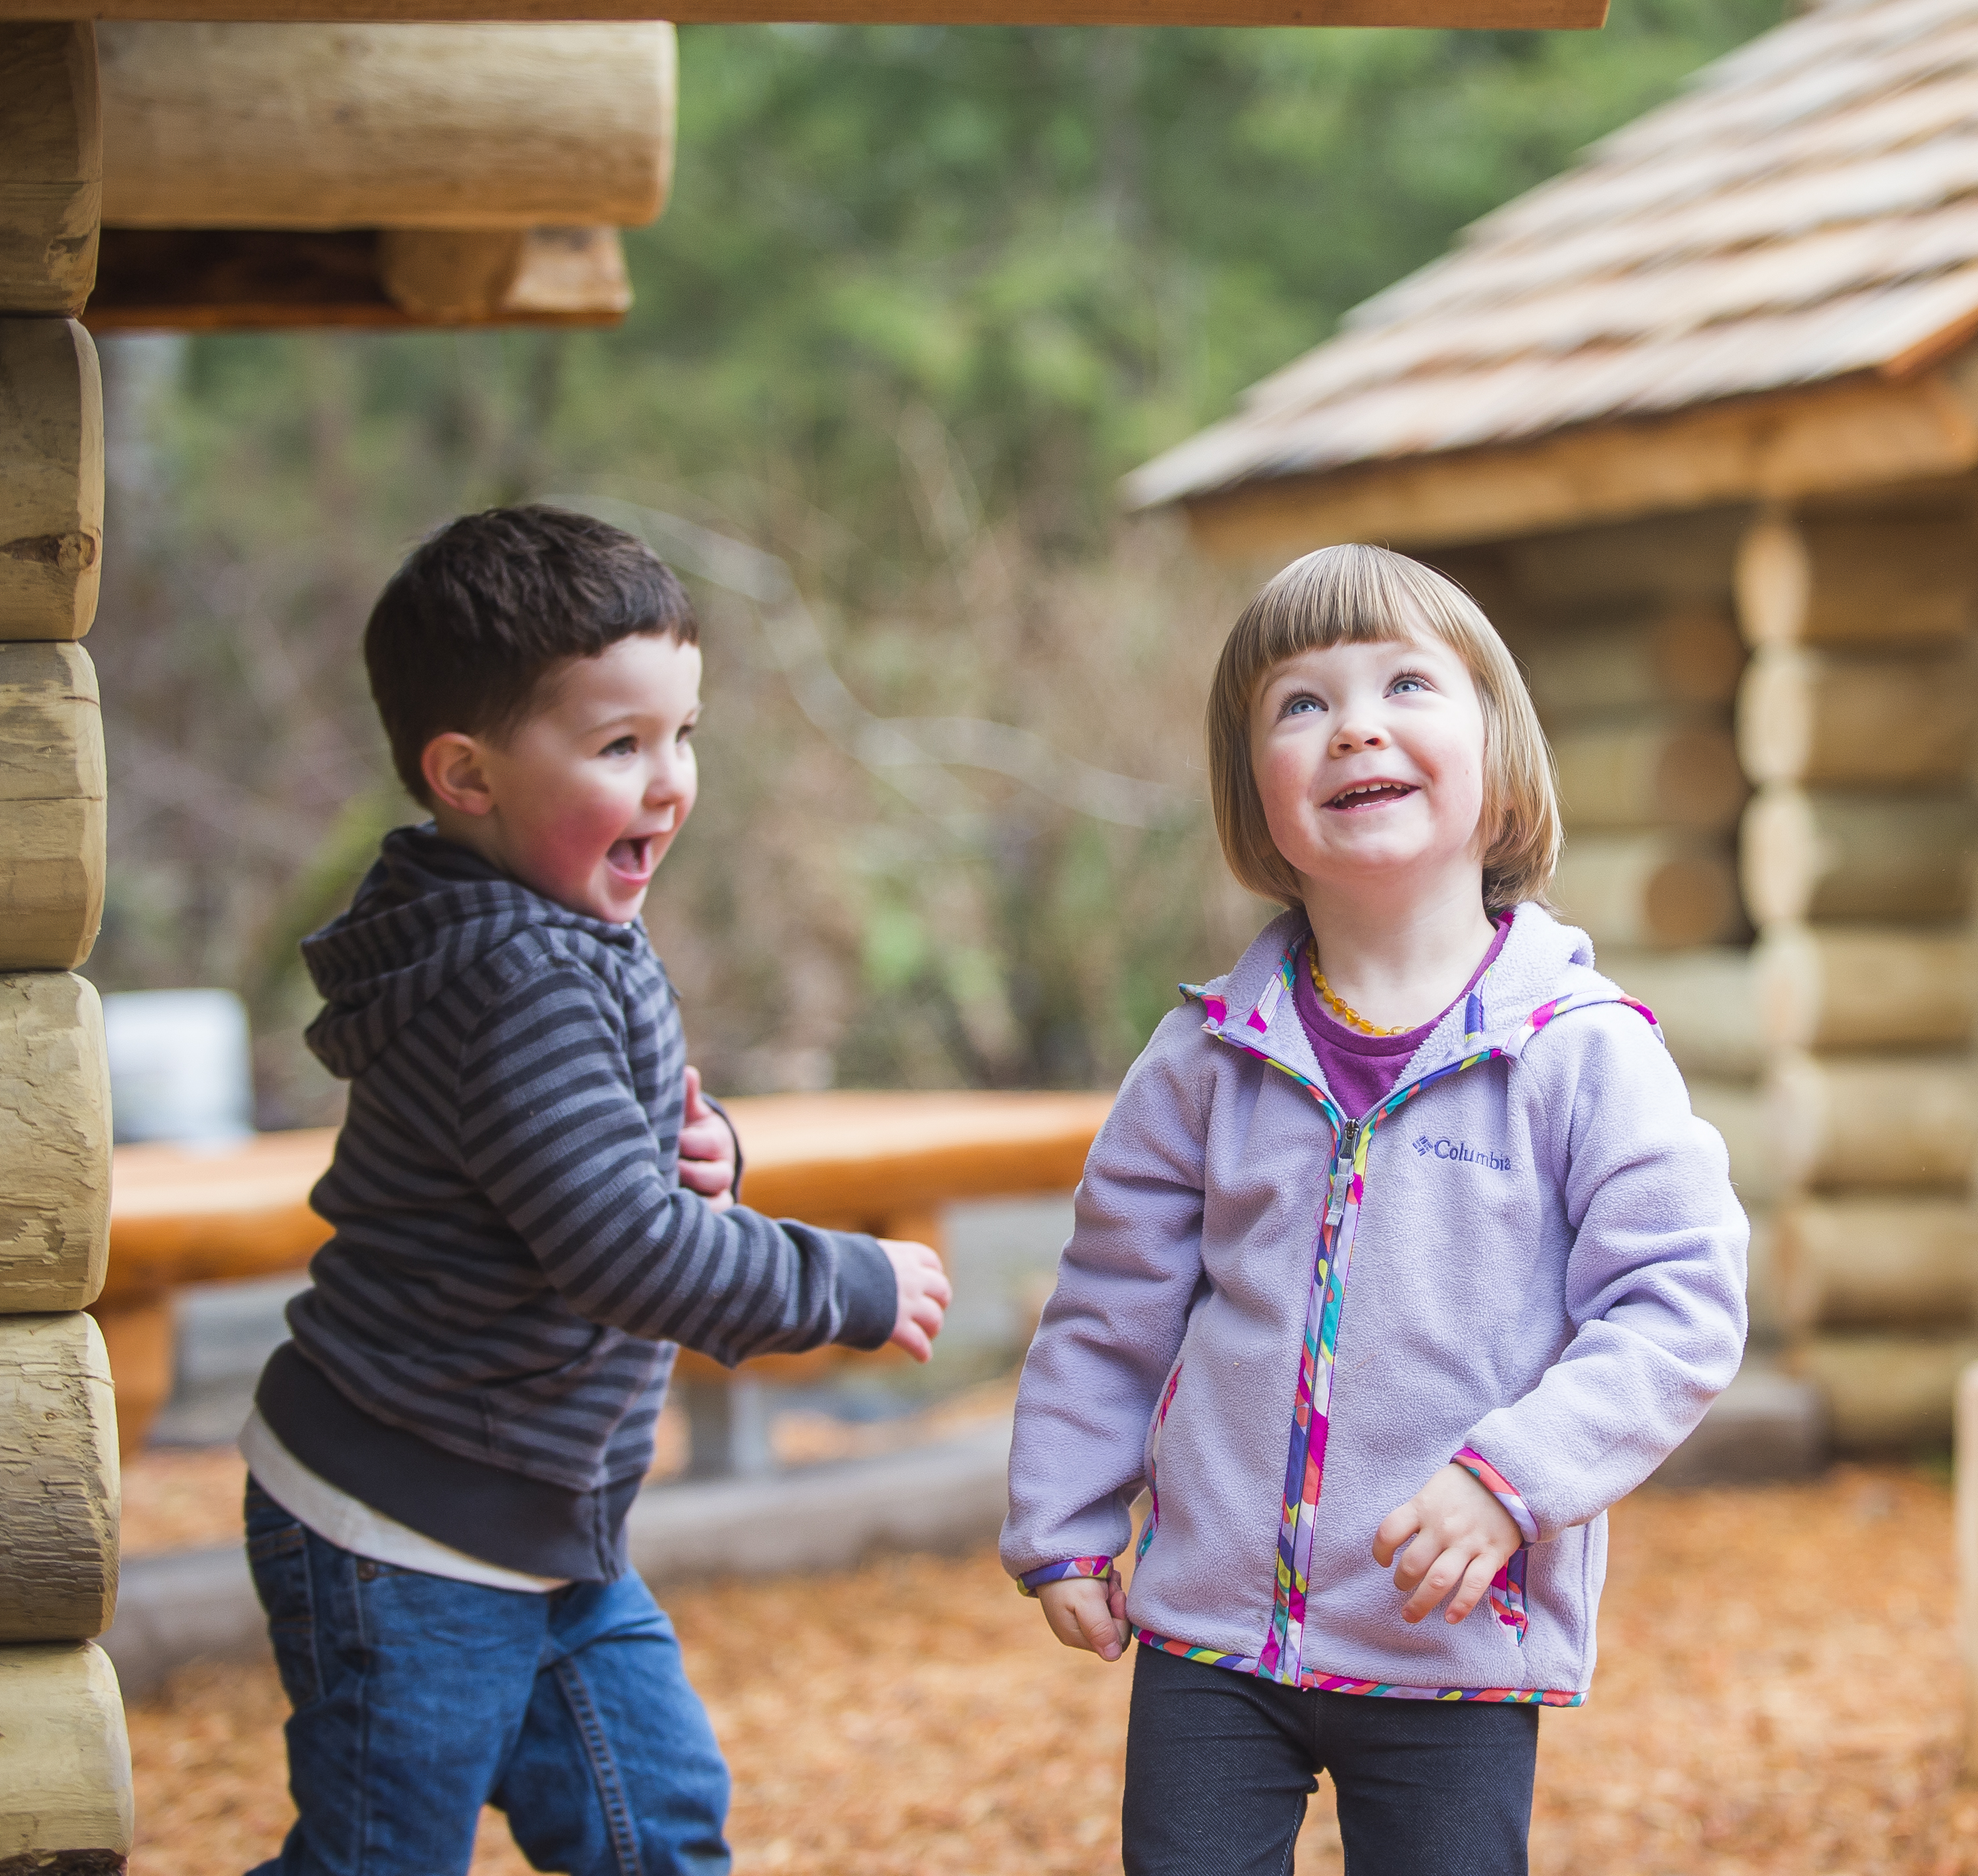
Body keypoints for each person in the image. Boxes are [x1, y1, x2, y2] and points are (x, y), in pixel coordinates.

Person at [1003, 543, 1747, 1876]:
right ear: (1259, 800)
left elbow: (1676, 1303)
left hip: (1446, 1631)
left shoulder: (1578, 1052)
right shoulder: (1203, 1058)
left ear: (1498, 754)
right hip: (1211, 1643)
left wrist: (1507, 1483)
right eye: (1299, 703)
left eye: (1405, 682)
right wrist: (1061, 1513)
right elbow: (1111, 1304)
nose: (1352, 722)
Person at [240, 505, 951, 1875]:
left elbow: (584, 1165)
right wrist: (840, 1280)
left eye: (683, 734)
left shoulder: (555, 920)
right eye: (620, 745)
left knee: (656, 1828)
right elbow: (623, 1251)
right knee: (378, 1860)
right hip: (408, 1525)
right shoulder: (513, 973)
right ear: (466, 773)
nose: (671, 780)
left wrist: (708, 1158)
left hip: (546, 1520)